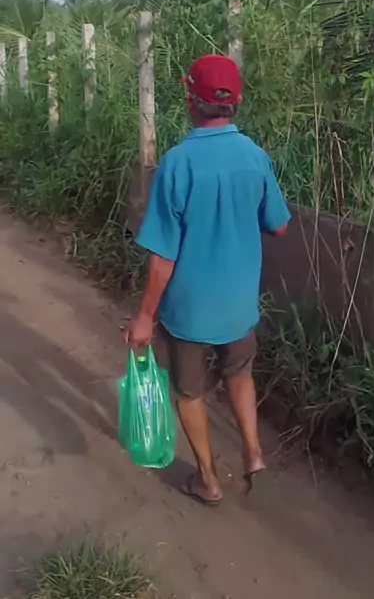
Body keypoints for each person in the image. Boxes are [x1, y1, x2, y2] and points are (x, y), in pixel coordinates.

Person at [127, 53, 290, 505]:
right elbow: (279, 225)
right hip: (238, 305)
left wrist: (145, 317)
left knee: (188, 391)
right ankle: (253, 454)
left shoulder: (177, 164)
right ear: (237, 101)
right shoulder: (255, 157)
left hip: (189, 311)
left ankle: (208, 480)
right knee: (240, 373)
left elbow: (163, 256)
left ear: (190, 99)